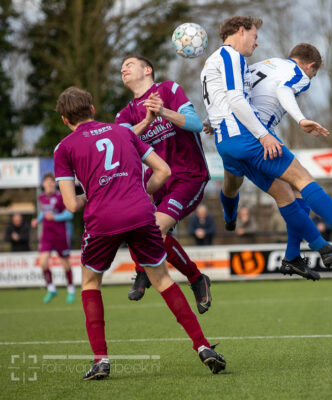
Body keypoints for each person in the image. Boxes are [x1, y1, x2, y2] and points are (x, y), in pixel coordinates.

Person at [53, 86, 225, 380]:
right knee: (163, 280)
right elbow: (164, 172)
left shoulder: (64, 148)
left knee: (91, 282)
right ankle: (203, 346)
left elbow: (70, 204)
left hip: (102, 219)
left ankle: (101, 360)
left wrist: (98, 194)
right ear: (93, 110)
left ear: (65, 120)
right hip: (140, 212)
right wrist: (133, 191)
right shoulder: (124, 132)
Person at [201, 18, 332, 280]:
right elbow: (272, 93)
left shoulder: (257, 64)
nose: (257, 41)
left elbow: (227, 95)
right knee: (302, 180)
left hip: (226, 140)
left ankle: (301, 254)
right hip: (249, 134)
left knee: (286, 195)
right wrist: (296, 120)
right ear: (310, 66)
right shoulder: (244, 59)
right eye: (254, 35)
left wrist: (211, 121)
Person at [116, 55, 212, 313]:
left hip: (188, 175)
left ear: (148, 69)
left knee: (154, 230)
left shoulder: (168, 89)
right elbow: (120, 143)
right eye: (122, 67)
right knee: (132, 223)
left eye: (129, 64)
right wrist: (146, 121)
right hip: (157, 179)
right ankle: (193, 278)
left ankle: (162, 274)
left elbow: (195, 124)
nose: (123, 69)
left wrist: (163, 111)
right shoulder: (125, 113)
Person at [31, 173, 75, 303]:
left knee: (65, 263)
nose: (49, 184)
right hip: (46, 235)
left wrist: (55, 217)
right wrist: (37, 220)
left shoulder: (61, 197)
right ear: (43, 184)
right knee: (43, 262)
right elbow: (44, 212)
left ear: (54, 184)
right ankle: (51, 289)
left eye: (51, 182)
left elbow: (69, 215)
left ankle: (71, 290)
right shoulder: (42, 197)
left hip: (60, 234)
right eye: (47, 182)